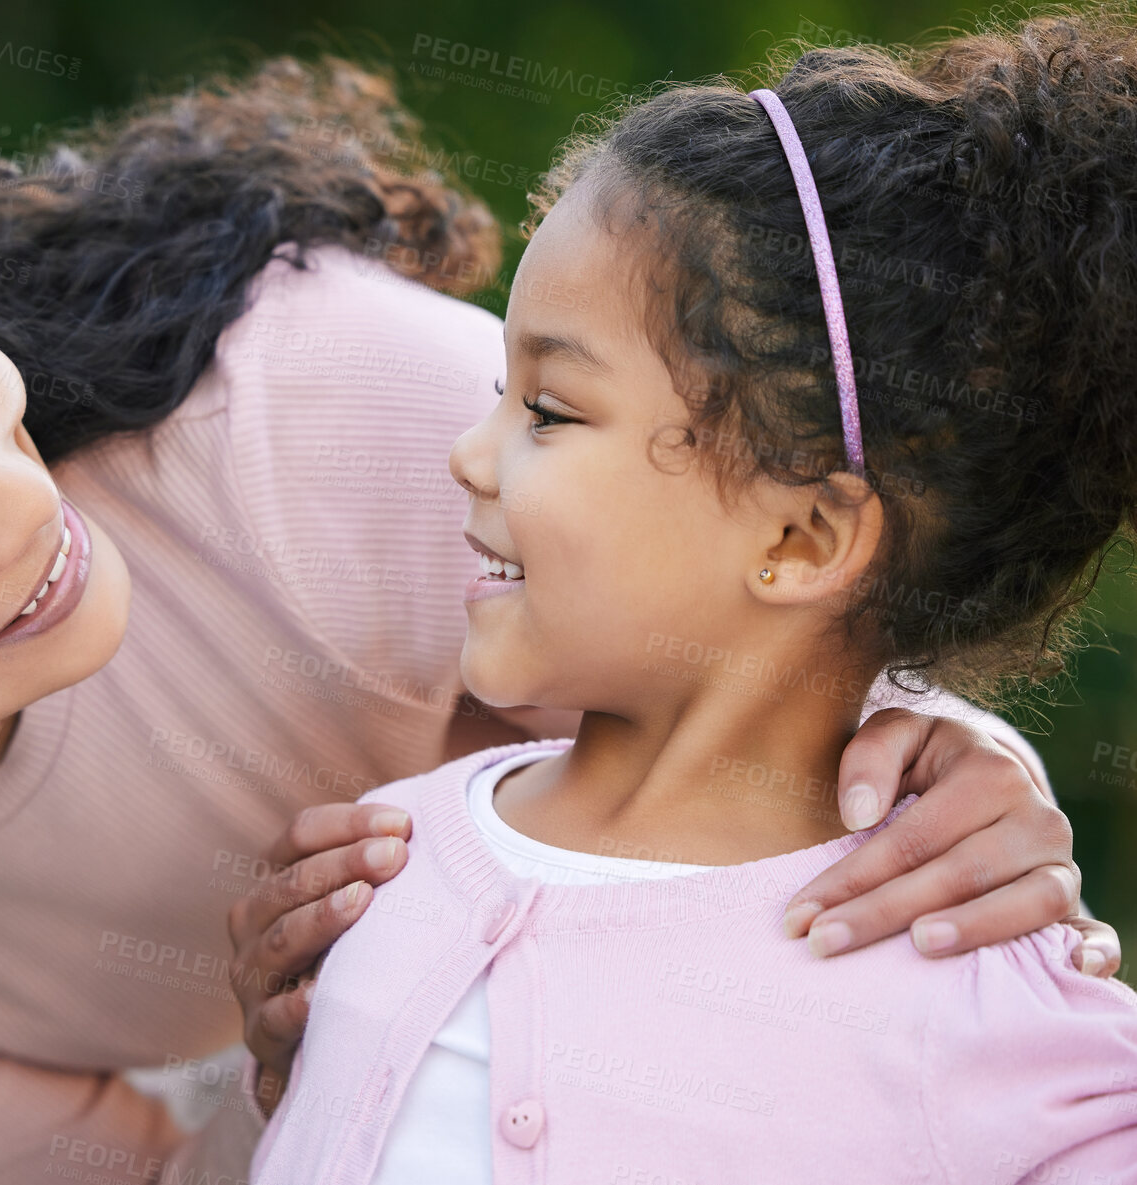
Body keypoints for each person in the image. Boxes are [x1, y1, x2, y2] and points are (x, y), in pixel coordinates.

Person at [0, 56, 1112, 1185]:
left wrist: (931, 756)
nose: (20, 508)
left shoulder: (318, 415)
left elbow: (759, 562)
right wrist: (303, 1074)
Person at [251, 13, 1137, 1183]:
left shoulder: (993, 1007)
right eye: (497, 391)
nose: (469, 455)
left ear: (799, 536)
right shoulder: (382, 866)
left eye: (550, 412)